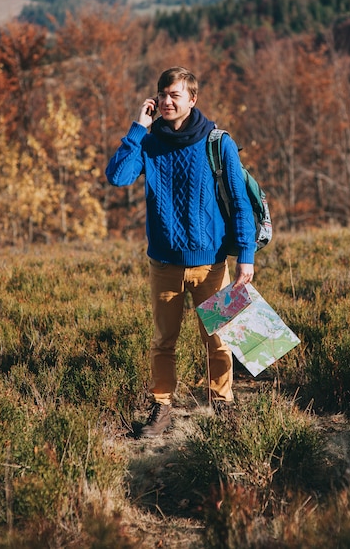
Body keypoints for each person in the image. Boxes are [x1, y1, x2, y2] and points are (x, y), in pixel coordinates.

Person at [106, 66, 256, 437]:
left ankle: (222, 404)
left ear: (193, 99)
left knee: (220, 340)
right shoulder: (149, 141)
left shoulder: (217, 142)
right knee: (163, 342)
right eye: (162, 94)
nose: (167, 100)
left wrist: (246, 257)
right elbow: (118, 177)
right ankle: (162, 408)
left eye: (175, 94)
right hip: (164, 264)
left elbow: (240, 203)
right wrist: (137, 129)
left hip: (212, 265)